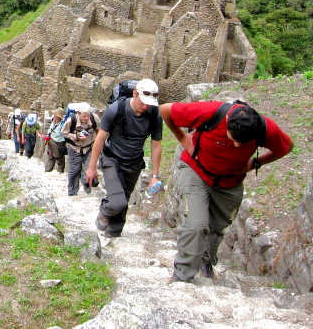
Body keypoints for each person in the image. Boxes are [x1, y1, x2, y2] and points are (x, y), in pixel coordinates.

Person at [159, 99, 293, 283]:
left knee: (216, 228)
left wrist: (256, 163)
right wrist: (182, 138)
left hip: (229, 182)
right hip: (196, 171)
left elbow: (286, 147)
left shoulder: (265, 128)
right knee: (195, 225)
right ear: (228, 120)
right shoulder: (210, 112)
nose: (237, 145)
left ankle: (205, 263)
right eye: (233, 138)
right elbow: (165, 110)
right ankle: (182, 275)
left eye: (242, 142)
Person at [86, 79, 163, 237]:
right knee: (117, 201)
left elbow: (156, 144)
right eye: (143, 102)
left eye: (150, 103)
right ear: (135, 94)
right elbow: (100, 138)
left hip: (134, 163)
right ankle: (105, 211)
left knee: (125, 199)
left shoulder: (154, 114)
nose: (146, 106)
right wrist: (91, 167)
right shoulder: (116, 109)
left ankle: (114, 232)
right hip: (112, 159)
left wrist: (155, 176)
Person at [62, 103, 100, 195]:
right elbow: (64, 133)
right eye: (84, 116)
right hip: (75, 148)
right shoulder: (71, 120)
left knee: (89, 169)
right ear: (78, 113)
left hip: (89, 148)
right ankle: (72, 192)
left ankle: (86, 184)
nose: (86, 118)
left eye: (88, 116)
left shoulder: (94, 119)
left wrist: (97, 143)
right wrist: (76, 136)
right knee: (74, 171)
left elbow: (99, 130)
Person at [43, 108, 67, 173]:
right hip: (50, 140)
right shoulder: (53, 121)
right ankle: (48, 170)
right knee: (50, 155)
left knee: (59, 157)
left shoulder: (63, 124)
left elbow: (62, 133)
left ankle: (60, 171)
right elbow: (50, 129)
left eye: (56, 115)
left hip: (59, 142)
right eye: (54, 115)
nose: (54, 116)